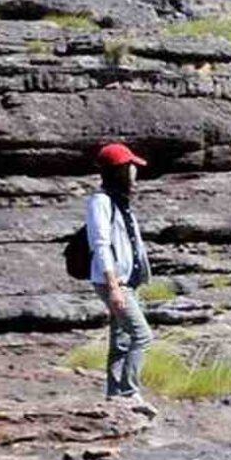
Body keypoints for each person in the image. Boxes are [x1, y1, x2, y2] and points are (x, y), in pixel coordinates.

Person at [88, 141, 156, 411]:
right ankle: (129, 394)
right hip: (114, 283)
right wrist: (114, 287)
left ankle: (114, 397)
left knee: (122, 339)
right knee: (142, 336)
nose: (135, 173)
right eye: (131, 168)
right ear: (120, 170)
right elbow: (101, 245)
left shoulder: (121, 203)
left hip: (128, 282)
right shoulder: (100, 202)